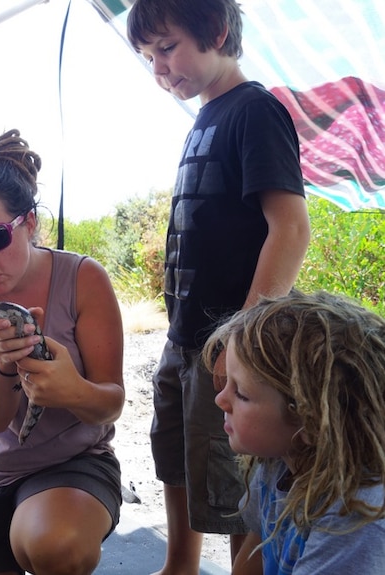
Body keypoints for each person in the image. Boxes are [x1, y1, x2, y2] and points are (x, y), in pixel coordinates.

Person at [126, 1, 312, 572]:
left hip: (229, 342)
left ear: (218, 31)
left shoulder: (254, 111)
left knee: (237, 476)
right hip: (184, 341)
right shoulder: (205, 116)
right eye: (147, 57)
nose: (159, 68)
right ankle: (179, 565)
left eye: (167, 48)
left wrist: (241, 343)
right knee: (179, 458)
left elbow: (291, 228)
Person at [0, 128, 125, 575]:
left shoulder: (84, 278)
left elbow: (111, 402)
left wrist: (72, 389)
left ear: (29, 222)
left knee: (56, 545)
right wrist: (4, 365)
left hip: (72, 461)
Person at [203, 290, 385, 574]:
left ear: (310, 422)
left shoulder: (352, 520)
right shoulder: (278, 460)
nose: (221, 400)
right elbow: (258, 546)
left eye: (241, 393)